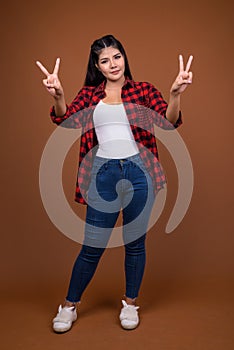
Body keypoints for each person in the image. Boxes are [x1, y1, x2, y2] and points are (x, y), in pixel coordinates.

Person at [36, 34, 193, 332]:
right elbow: (66, 120)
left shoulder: (143, 90)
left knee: (135, 244)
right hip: (103, 176)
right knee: (92, 246)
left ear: (124, 57)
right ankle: (68, 306)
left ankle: (130, 303)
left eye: (117, 56)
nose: (113, 64)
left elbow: (168, 123)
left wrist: (175, 94)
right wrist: (57, 95)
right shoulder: (89, 95)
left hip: (139, 173)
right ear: (97, 66)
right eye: (105, 60)